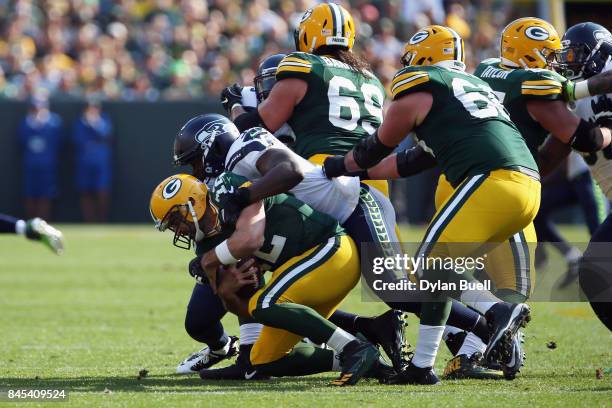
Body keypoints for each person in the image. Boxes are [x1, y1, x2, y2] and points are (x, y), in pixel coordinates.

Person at [323, 25, 539, 384]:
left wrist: (336, 166)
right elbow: (411, 161)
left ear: (423, 59)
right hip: (526, 186)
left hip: (492, 181)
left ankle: (499, 310)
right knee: (439, 273)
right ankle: (423, 367)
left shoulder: (423, 87)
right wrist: (360, 174)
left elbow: (378, 146)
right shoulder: (468, 91)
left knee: (428, 266)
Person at [150, 173, 382, 386]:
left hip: (331, 249)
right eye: (171, 227)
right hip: (304, 274)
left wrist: (211, 261)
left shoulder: (227, 189)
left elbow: (250, 239)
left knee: (267, 303)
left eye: (175, 220)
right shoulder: (206, 246)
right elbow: (252, 311)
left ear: (193, 203)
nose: (177, 231)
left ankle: (354, 347)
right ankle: (372, 364)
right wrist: (227, 293)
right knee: (262, 360)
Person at [552, 22, 612, 331]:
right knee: (595, 273)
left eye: (576, 55)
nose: (569, 62)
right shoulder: (574, 95)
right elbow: (558, 147)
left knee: (594, 269)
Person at [534, 152, 607, 287]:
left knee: (598, 232)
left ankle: (603, 276)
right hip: (572, 178)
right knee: (537, 210)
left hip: (591, 174)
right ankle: (573, 257)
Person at [18, 96, 63, 220]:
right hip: (30, 165)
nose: (37, 110)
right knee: (30, 193)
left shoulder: (53, 122)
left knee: (45, 194)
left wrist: (41, 124)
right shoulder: (26, 123)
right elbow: (22, 139)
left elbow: (57, 140)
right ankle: (31, 222)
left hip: (47, 165)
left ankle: (43, 221)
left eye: (40, 107)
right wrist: (34, 124)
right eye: (35, 108)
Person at [72, 99, 113, 222]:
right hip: (84, 163)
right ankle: (89, 220)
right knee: (85, 191)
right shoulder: (79, 123)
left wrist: (94, 123)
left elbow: (105, 134)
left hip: (101, 163)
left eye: (95, 108)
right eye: (90, 108)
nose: (92, 110)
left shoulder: (104, 121)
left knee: (102, 191)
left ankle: (101, 220)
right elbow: (77, 140)